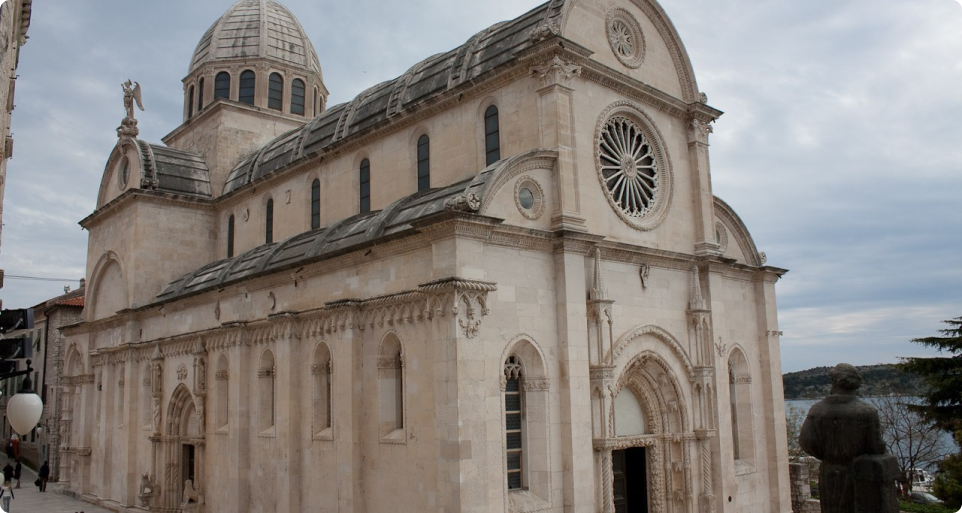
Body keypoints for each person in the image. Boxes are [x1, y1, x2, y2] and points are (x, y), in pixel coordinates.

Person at [799, 363, 887, 513]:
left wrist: (827, 456)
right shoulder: (867, 412)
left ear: (834, 381)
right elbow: (875, 447)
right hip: (858, 473)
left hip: (829, 472)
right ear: (856, 384)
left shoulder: (817, 410)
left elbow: (806, 442)